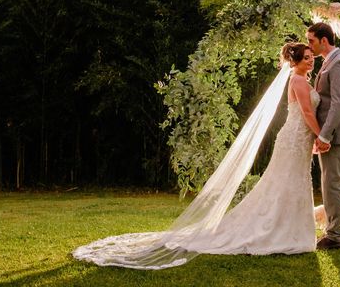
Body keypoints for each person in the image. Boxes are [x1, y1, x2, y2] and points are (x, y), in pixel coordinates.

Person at [73, 42, 324, 269]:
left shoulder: (302, 80)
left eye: (312, 57)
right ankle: (281, 232)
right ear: (295, 61)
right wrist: (321, 136)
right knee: (284, 184)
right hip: (293, 138)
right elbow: (307, 113)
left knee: (290, 184)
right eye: (306, 58)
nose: (311, 61)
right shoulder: (298, 81)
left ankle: (290, 230)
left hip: (299, 139)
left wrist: (313, 138)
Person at [307, 22, 340, 250]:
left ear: (323, 40)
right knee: (328, 184)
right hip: (330, 134)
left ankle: (334, 237)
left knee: (333, 184)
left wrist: (325, 136)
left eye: (311, 41)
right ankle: (331, 230)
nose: (310, 46)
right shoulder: (329, 61)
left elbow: (338, 104)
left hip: (337, 135)